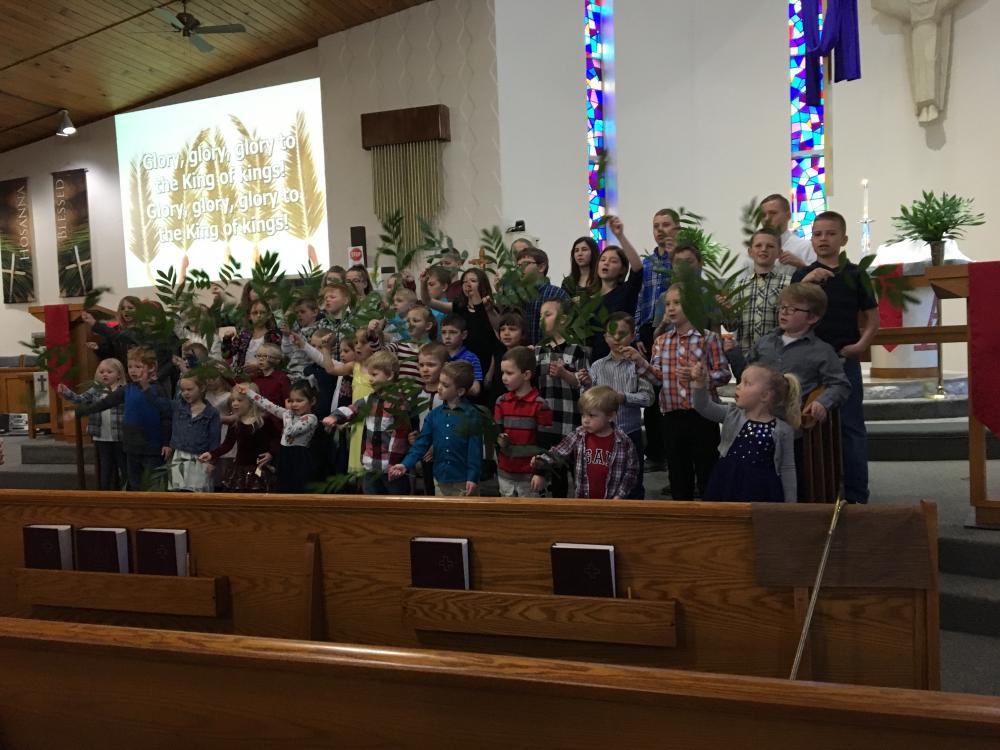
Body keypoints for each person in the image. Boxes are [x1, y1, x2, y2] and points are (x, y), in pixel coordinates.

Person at [791, 211, 879, 504]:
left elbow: (872, 319)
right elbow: (789, 314)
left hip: (843, 362)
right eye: (817, 234)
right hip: (807, 365)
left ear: (844, 239)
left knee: (851, 428)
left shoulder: (856, 275)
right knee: (805, 425)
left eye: (830, 234)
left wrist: (860, 346)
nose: (823, 239)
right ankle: (815, 492)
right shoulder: (802, 275)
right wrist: (808, 282)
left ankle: (856, 495)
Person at [635, 284, 731, 500]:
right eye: (668, 304)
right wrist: (640, 363)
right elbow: (656, 378)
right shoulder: (660, 342)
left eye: (677, 303)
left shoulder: (709, 339)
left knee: (707, 470)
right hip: (671, 416)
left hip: (703, 415)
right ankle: (683, 521)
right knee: (678, 474)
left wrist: (703, 378)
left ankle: (711, 518)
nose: (671, 308)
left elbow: (724, 373)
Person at [725, 283, 851, 424]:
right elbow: (746, 375)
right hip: (756, 418)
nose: (784, 312)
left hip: (793, 423)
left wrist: (822, 402)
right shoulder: (765, 342)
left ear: (812, 318)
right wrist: (733, 353)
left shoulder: (822, 351)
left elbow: (840, 385)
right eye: (782, 307)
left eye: (792, 309)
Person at [691, 361, 799, 503]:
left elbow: (787, 469)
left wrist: (790, 505)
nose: (738, 386)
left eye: (746, 383)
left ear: (765, 395)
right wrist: (699, 384)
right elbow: (703, 406)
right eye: (740, 381)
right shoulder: (732, 415)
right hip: (727, 482)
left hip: (762, 491)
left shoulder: (783, 430)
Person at [578, 312, 654, 499]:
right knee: (603, 480)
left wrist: (624, 397)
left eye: (622, 333)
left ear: (632, 335)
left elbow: (649, 398)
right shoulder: (597, 366)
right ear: (605, 337)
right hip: (601, 436)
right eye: (612, 334)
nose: (616, 338)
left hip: (630, 432)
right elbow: (588, 401)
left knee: (633, 483)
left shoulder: (637, 365)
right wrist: (587, 385)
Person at [75, 346, 172, 491]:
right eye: (130, 366)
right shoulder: (128, 389)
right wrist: (81, 412)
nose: (133, 370)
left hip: (152, 447)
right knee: (134, 483)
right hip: (131, 446)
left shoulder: (157, 389)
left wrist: (166, 442)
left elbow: (166, 416)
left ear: (151, 368)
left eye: (138, 366)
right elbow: (106, 402)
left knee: (153, 485)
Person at [324, 351, 415, 496]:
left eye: (374, 374)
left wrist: (393, 463)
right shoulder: (370, 399)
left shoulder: (399, 403)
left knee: (394, 505)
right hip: (370, 466)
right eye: (369, 374)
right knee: (370, 503)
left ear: (390, 375)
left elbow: (400, 437)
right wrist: (334, 417)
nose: (370, 379)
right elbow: (352, 409)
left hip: (391, 469)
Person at [388, 360, 483, 497]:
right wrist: (405, 464)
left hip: (464, 481)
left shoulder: (472, 416)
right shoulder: (434, 415)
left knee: (466, 517)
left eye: (445, 385)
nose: (439, 387)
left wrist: (472, 477)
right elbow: (421, 443)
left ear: (460, 391)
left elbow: (475, 450)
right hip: (440, 479)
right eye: (440, 382)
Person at [530, 385, 639, 500]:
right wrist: (541, 462)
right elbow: (558, 452)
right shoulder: (579, 435)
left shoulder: (624, 442)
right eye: (583, 415)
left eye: (591, 415)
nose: (585, 420)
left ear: (610, 416)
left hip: (611, 503)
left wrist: (620, 495)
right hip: (583, 501)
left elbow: (631, 472)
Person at [534, 298, 588, 498]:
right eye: (540, 316)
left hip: (570, 423)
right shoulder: (539, 351)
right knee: (555, 479)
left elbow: (586, 386)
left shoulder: (576, 349)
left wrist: (565, 374)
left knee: (578, 475)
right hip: (547, 424)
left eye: (548, 315)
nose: (542, 319)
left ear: (563, 320)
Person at [239, 379, 319, 493]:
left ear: (312, 401)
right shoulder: (289, 415)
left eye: (299, 401)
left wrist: (288, 412)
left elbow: (290, 431)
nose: (294, 404)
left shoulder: (311, 418)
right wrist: (248, 392)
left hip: (298, 458)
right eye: (291, 401)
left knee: (297, 489)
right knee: (282, 488)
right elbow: (268, 405)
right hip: (284, 456)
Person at [58, 358, 127, 490]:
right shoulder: (96, 390)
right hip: (101, 436)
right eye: (101, 372)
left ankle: (125, 493)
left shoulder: (123, 390)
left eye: (109, 371)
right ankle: (104, 494)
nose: (105, 374)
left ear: (119, 375)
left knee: (123, 466)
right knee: (105, 467)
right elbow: (80, 399)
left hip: (120, 436)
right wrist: (66, 392)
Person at [494, 346, 553, 497]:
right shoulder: (501, 401)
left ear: (526, 374)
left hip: (530, 476)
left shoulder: (540, 405)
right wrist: (500, 440)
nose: (504, 378)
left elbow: (545, 444)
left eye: (509, 373)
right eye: (502, 373)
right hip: (505, 474)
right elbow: (497, 437)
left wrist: (540, 473)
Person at [200, 383, 280, 492]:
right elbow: (227, 445)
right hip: (240, 469)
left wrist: (271, 453)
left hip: (259, 469)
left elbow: (276, 438)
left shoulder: (264, 421)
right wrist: (211, 454)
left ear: (252, 401)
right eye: (233, 400)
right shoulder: (236, 423)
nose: (234, 404)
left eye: (239, 400)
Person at [725, 228, 792, 357]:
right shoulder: (739, 287)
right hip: (746, 356)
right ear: (750, 252)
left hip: (778, 356)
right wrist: (727, 312)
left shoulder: (788, 284)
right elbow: (731, 327)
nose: (763, 249)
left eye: (770, 246)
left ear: (779, 252)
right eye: (758, 245)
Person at [589, 215, 643, 361]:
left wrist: (620, 235)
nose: (606, 264)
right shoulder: (589, 299)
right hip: (598, 361)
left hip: (624, 356)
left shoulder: (626, 291)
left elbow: (637, 268)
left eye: (613, 261)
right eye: (603, 260)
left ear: (622, 269)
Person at [165, 374, 221, 492]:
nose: (185, 393)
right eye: (182, 390)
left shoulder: (212, 413)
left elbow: (214, 439)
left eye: (189, 389)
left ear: (201, 388)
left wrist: (212, 461)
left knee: (197, 491)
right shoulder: (178, 407)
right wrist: (145, 385)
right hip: (180, 456)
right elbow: (157, 402)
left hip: (200, 458)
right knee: (178, 490)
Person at [636, 209, 680, 349]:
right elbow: (639, 299)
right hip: (648, 329)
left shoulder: (684, 259)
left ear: (677, 228)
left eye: (666, 225)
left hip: (674, 325)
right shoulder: (647, 263)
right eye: (656, 226)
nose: (660, 230)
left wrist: (674, 255)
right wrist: (637, 335)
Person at [514, 246, 570, 345]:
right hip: (522, 354)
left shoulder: (557, 294)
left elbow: (566, 330)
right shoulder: (517, 295)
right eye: (518, 266)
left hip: (549, 354)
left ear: (541, 267)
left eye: (525, 264)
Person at [414, 341, 449, 495]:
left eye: (431, 365)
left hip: (447, 453)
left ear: (444, 366)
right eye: (421, 365)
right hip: (425, 452)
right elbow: (417, 422)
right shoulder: (417, 394)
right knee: (429, 490)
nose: (425, 369)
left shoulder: (450, 396)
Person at [759, 193, 816, 271]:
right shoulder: (755, 250)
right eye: (763, 215)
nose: (766, 219)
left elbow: (819, 278)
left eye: (773, 213)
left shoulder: (806, 247)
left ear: (788, 215)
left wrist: (801, 265)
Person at [225, 299, 281, 374]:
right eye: (255, 313)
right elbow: (227, 354)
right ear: (249, 316)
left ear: (268, 315)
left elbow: (277, 359)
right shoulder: (243, 335)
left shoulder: (273, 335)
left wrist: (259, 365)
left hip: (263, 376)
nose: (259, 315)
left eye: (262, 312)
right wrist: (227, 339)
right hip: (242, 375)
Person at [440, 314, 483, 396]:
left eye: (453, 332)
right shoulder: (439, 356)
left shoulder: (471, 358)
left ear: (464, 335)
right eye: (443, 332)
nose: (447, 336)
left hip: (462, 404)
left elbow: (476, 389)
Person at [280, 298, 324, 378]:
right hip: (291, 371)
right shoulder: (297, 331)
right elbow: (288, 353)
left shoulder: (319, 330)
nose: (299, 315)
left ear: (315, 312)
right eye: (297, 313)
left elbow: (314, 354)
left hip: (306, 374)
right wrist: (286, 336)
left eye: (303, 312)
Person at [249, 342, 291, 409]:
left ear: (276, 359)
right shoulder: (255, 377)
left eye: (265, 356)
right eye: (258, 355)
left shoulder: (281, 378)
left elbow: (287, 402)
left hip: (275, 416)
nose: (261, 359)